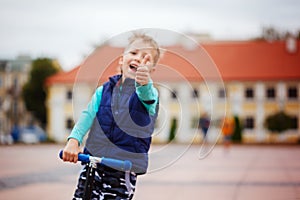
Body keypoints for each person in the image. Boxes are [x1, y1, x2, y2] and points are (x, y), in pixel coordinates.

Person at [62, 33, 160, 200]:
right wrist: (74, 140)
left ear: (152, 69)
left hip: (123, 169)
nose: (138, 59)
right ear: (122, 60)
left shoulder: (149, 94)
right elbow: (88, 115)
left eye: (146, 58)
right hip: (94, 163)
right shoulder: (104, 90)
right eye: (134, 53)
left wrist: (144, 81)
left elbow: (146, 93)